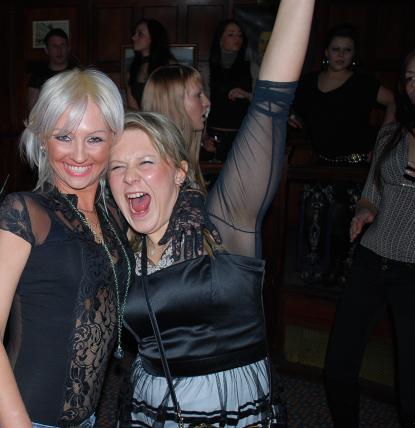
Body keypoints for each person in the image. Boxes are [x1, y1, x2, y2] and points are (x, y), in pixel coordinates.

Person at [108, 0, 313, 423]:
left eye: (145, 162)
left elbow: (270, 105)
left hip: (229, 407)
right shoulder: (119, 241)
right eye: (117, 167)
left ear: (179, 172)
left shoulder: (221, 221)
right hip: (150, 405)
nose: (130, 178)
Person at [0, 68, 132, 428]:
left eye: (94, 138)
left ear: (114, 140)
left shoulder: (116, 218)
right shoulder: (26, 212)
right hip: (18, 420)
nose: (79, 154)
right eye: (64, 136)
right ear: (43, 138)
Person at [324, 49, 415, 427]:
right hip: (371, 258)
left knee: (411, 384)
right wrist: (363, 211)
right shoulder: (391, 134)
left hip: (413, 271)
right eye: (409, 78)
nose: (414, 86)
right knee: (338, 367)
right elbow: (371, 193)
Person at [290, 24, 396, 163]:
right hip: (320, 164)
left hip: (360, 165)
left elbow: (393, 100)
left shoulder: (363, 83)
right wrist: (289, 115)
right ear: (326, 52)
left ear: (353, 54)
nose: (341, 54)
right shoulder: (307, 82)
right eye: (336, 49)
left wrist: (383, 141)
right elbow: (288, 105)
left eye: (347, 50)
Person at [141, 64, 211, 189]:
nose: (207, 102)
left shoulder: (179, 155)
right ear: (173, 103)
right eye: (198, 95)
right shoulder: (158, 165)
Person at [201, 20, 256, 161]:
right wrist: (203, 136)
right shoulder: (207, 69)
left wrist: (247, 95)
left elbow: (265, 101)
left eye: (240, 35)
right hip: (214, 135)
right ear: (220, 40)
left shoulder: (252, 67)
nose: (237, 39)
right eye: (231, 35)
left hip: (244, 135)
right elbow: (200, 106)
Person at [126, 19, 176, 111]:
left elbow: (176, 101)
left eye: (140, 34)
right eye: (134, 33)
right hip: (142, 119)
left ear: (154, 38)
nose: (133, 37)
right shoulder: (133, 69)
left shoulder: (169, 66)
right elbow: (133, 108)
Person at [27, 28, 77, 113]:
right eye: (54, 46)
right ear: (47, 50)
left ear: (68, 48)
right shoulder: (38, 76)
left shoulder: (78, 74)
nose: (59, 50)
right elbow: (32, 110)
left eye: (62, 45)